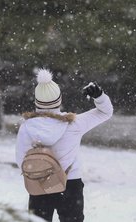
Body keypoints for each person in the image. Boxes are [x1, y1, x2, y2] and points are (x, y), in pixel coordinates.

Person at [16, 68, 113, 222]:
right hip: (70, 183)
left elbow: (21, 160)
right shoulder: (74, 124)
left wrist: (42, 170)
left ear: (36, 101)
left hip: (38, 182)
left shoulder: (26, 127)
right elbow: (105, 112)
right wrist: (99, 96)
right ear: (59, 100)